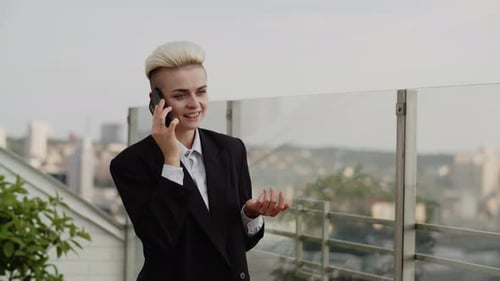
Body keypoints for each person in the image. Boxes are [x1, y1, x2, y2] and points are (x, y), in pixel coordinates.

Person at [110, 41, 289, 281]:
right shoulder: (130, 164)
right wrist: (171, 160)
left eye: (201, 91)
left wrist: (250, 213)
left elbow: (238, 245)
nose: (195, 103)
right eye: (180, 95)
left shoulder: (231, 149)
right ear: (156, 100)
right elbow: (160, 240)